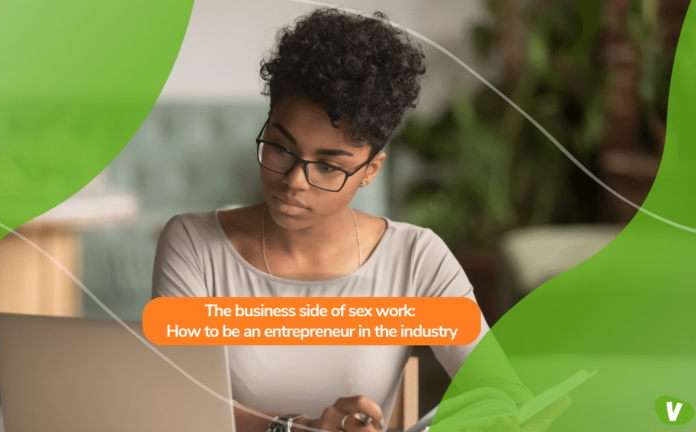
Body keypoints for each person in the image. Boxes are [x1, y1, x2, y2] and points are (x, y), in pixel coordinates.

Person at [151, 7, 569, 432]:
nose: (295, 180)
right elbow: (182, 402)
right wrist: (300, 428)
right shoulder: (194, 244)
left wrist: (516, 413)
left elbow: (498, 388)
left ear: (370, 170)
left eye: (329, 167)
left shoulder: (415, 258)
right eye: (280, 148)